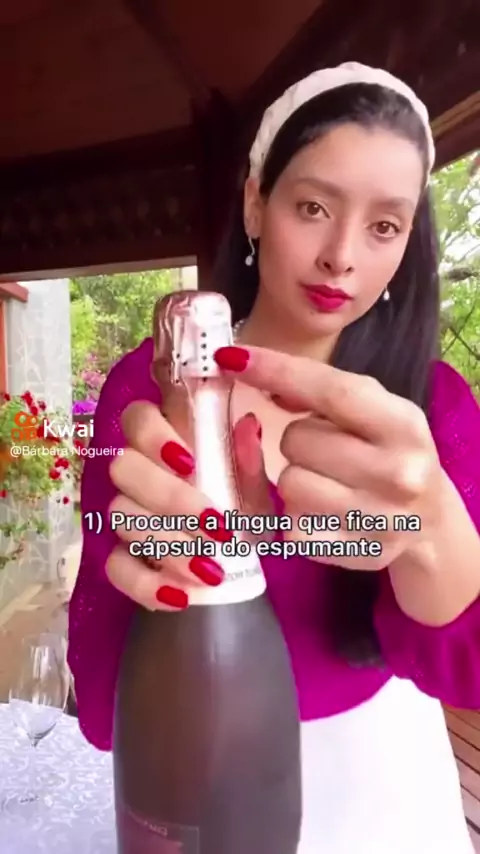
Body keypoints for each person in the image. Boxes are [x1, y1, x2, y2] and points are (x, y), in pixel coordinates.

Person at [68, 61, 480, 853]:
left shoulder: (432, 407)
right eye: (314, 207)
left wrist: (427, 533)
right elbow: (100, 709)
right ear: (256, 203)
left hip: (385, 786)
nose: (341, 256)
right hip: (197, 784)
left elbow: (470, 674)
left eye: (384, 226)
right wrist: (163, 576)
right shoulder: (147, 390)